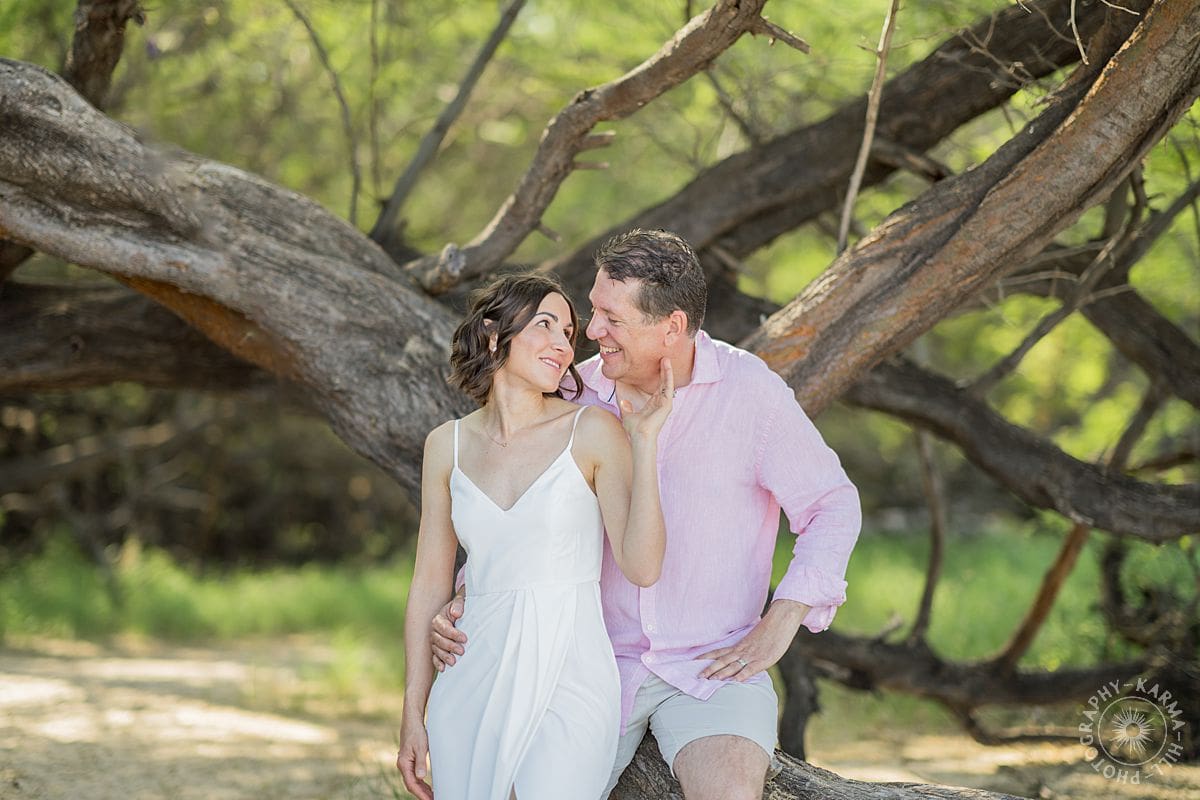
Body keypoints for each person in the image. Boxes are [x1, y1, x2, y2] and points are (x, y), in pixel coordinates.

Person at [431, 229, 862, 800]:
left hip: (712, 667)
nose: (591, 332)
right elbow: (525, 511)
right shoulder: (571, 394)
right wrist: (470, 594)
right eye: (593, 311)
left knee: (730, 791)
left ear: (672, 327)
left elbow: (832, 504)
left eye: (612, 318)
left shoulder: (749, 392)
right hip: (585, 660)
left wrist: (783, 617)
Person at [396, 273, 674, 800]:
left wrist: (644, 444)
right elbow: (429, 582)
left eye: (568, 333)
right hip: (469, 668)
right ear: (493, 334)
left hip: (570, 671)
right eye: (545, 324)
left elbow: (642, 567)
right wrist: (414, 711)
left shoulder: (592, 431)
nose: (563, 345)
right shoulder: (445, 445)